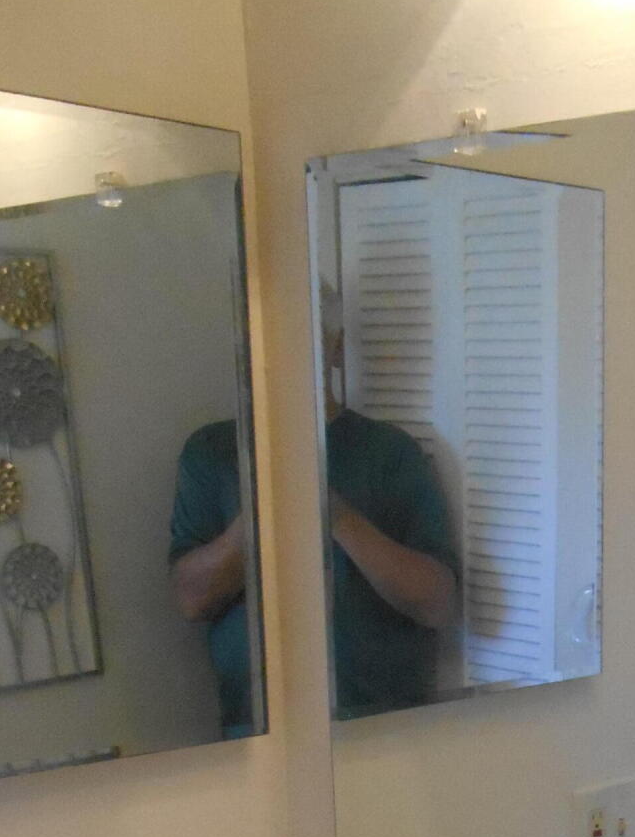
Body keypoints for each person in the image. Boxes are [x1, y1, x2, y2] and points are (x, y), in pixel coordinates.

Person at [169, 291, 459, 730]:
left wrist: (337, 516)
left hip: (389, 731)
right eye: (264, 343)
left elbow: (438, 603)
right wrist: (271, 502)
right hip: (257, 734)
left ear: (337, 348)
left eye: (302, 338)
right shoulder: (211, 453)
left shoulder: (389, 452)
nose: (281, 357)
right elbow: (191, 600)